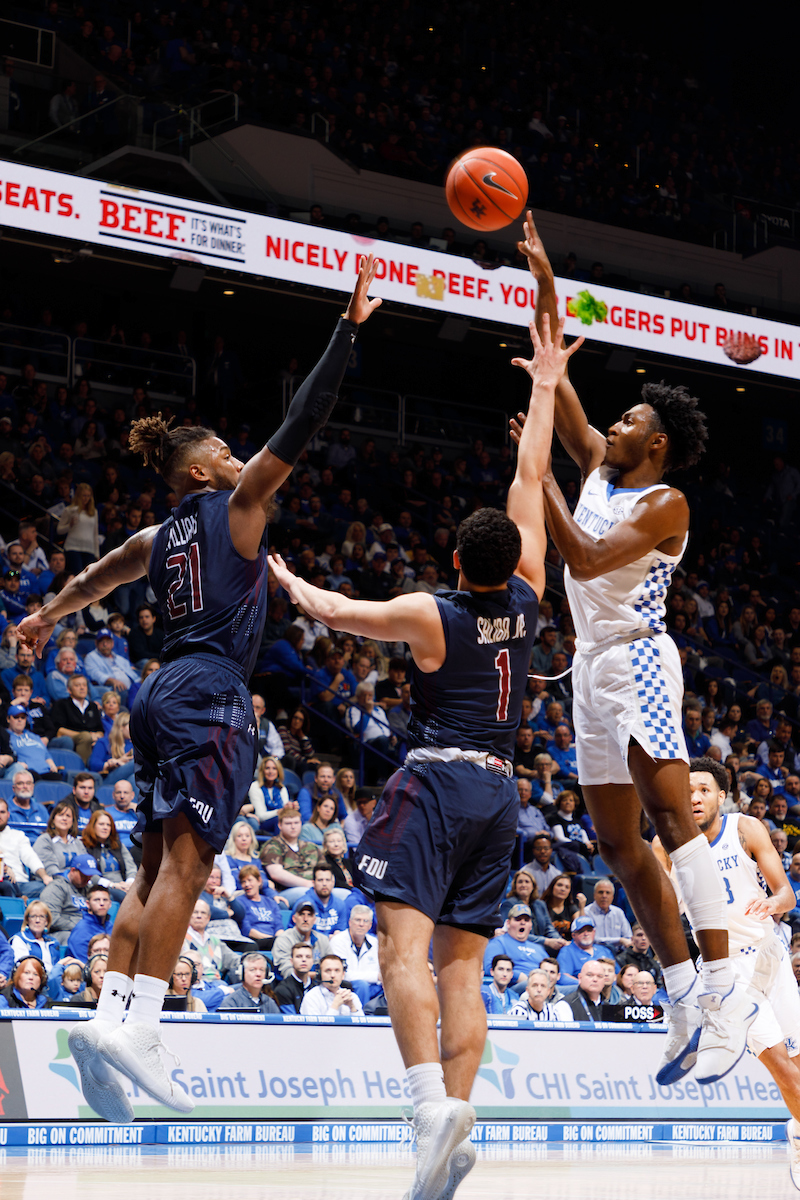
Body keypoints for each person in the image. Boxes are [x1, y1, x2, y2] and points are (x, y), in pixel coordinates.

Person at [17, 255, 382, 1123]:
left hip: (158, 693)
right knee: (191, 864)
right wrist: (347, 330)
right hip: (211, 690)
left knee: (151, 869)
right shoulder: (240, 505)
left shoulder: (156, 536)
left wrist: (45, 616)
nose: (235, 454)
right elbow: (304, 419)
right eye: (222, 450)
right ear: (201, 475)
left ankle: (107, 1020)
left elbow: (96, 577)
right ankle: (144, 1027)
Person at [267, 311, 578, 1200]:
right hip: (502, 798)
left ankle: (427, 1106)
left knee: (400, 952)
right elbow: (530, 473)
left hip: (438, 782)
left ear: (453, 558)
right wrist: (546, 383)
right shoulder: (530, 593)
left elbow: (334, 611)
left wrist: (287, 579)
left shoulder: (431, 613)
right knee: (463, 968)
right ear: (515, 557)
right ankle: (459, 1118)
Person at [519, 211, 750, 1086]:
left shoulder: (666, 505)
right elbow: (556, 365)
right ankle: (683, 991)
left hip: (642, 659)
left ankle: (726, 997)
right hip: (591, 665)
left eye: (625, 420)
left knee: (673, 824)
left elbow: (581, 556)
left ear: (655, 443)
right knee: (617, 843)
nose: (608, 425)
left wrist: (535, 475)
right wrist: (544, 279)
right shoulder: (600, 468)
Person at [654, 756, 800, 1187]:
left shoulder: (745, 828)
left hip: (770, 956)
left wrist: (773, 903)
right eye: (687, 791)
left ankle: (797, 1131)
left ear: (722, 795)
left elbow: (787, 894)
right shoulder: (665, 844)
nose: (694, 798)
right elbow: (660, 914)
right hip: (725, 970)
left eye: (703, 790)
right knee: (781, 1067)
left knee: (797, 1064)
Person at [329, 904, 381, 1006]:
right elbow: (343, 974)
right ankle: (362, 1015)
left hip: (372, 986)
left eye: (365, 921)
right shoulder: (338, 941)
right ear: (350, 922)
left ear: (370, 925)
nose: (361, 924)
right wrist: (376, 976)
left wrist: (379, 978)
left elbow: (380, 972)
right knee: (362, 985)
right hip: (346, 986)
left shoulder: (375, 942)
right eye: (358, 920)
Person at [0, 797, 53, 898]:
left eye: (2, 812)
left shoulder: (18, 835)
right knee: (6, 886)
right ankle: (18, 900)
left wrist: (44, 876)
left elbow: (31, 857)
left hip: (21, 884)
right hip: (3, 884)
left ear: (8, 814)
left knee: (51, 887)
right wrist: (5, 868)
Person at [271, 899, 331, 979]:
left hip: (318, 984)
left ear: (314, 920)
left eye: (309, 915)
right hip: (290, 985)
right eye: (302, 914)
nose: (305, 919)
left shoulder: (322, 940)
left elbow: (331, 966)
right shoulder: (283, 940)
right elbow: (288, 973)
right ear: (294, 918)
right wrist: (318, 975)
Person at [556, 914, 619, 981]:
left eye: (589, 930)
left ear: (594, 932)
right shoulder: (567, 951)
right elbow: (563, 977)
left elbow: (618, 974)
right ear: (573, 935)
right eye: (581, 931)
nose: (586, 934)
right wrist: (584, 983)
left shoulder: (604, 950)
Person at [299, 952, 363, 1015]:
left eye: (337, 970)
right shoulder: (311, 997)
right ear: (320, 975)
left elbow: (362, 1021)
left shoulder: (352, 997)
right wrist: (335, 1005)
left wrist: (352, 1008)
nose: (332, 975)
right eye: (328, 971)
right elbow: (313, 1022)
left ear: (343, 975)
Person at [66, 882, 115, 961]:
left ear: (110, 904)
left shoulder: (112, 927)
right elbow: (84, 963)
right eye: (97, 900)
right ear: (88, 904)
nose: (102, 903)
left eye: (105, 900)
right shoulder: (81, 930)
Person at [584, 878, 633, 954]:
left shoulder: (618, 912)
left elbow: (628, 937)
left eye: (608, 893)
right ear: (594, 895)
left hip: (618, 955)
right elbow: (591, 939)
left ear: (612, 897)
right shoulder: (587, 912)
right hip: (595, 954)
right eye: (601, 892)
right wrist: (619, 940)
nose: (604, 896)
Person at [9, 900, 60, 970]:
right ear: (27, 920)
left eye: (42, 916)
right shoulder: (19, 939)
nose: (37, 920)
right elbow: (23, 968)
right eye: (33, 916)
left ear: (46, 921)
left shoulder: (53, 942)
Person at [508, 968, 573, 1021]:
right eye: (535, 985)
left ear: (548, 991)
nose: (539, 990)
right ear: (527, 990)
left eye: (543, 986)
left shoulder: (552, 1011)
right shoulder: (518, 1011)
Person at [272, 941, 315, 1013]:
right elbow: (292, 1018)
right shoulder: (282, 989)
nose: (304, 960)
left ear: (312, 961)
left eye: (308, 957)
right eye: (299, 956)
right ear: (291, 961)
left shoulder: (317, 988)